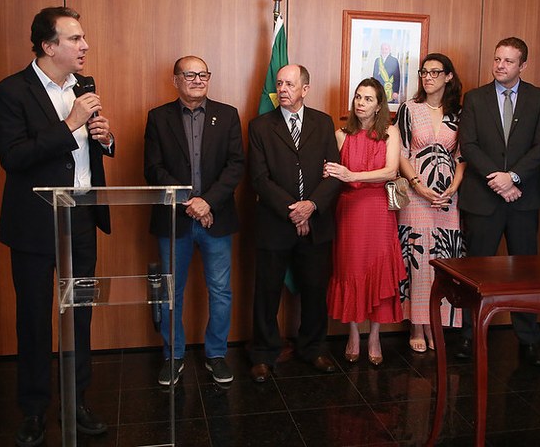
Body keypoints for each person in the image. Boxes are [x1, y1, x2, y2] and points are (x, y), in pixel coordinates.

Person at [0, 6, 112, 446]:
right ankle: (34, 410)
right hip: (34, 224)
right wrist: (71, 124)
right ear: (48, 46)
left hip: (81, 218)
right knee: (34, 318)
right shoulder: (10, 91)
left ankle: (77, 401)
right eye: (75, 39)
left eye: (83, 38)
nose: (85, 46)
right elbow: (14, 157)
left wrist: (104, 138)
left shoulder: (84, 87)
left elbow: (85, 153)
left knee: (80, 315)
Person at [144, 56, 244, 386]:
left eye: (203, 74)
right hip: (175, 220)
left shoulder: (227, 115)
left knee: (221, 291)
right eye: (190, 75)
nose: (198, 80)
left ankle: (216, 354)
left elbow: (235, 166)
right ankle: (173, 356)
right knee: (171, 292)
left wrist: (208, 201)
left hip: (218, 218)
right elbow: (153, 169)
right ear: (176, 80)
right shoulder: (158, 118)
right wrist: (192, 202)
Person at [457, 37, 540, 366]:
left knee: (525, 273)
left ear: (523, 65)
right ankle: (469, 336)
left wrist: (512, 177)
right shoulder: (475, 98)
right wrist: (499, 180)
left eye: (509, 61)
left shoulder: (539, 98)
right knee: (476, 272)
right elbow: (469, 145)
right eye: (497, 59)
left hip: (523, 200)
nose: (500, 65)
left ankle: (528, 340)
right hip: (483, 199)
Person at [247, 64, 342, 382]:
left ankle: (313, 348)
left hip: (316, 222)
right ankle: (263, 354)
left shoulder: (323, 123)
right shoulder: (260, 126)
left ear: (305, 89)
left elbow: (334, 172)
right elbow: (259, 179)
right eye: (279, 84)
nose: (283, 89)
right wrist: (294, 211)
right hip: (275, 223)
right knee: (267, 292)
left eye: (289, 84)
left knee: (315, 289)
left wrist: (311, 207)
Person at [324, 78, 405, 366]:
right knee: (350, 269)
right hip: (349, 210)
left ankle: (374, 336)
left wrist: (352, 175)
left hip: (378, 209)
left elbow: (391, 171)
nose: (361, 103)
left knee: (378, 270)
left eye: (368, 99)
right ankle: (354, 334)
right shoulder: (341, 135)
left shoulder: (390, 132)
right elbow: (331, 172)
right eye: (358, 97)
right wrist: (332, 172)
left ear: (379, 105)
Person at [396, 53, 466, 353]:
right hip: (416, 195)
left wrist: (453, 188)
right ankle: (417, 325)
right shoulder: (409, 108)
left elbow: (461, 156)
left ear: (448, 76)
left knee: (444, 259)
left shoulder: (458, 114)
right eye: (424, 72)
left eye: (435, 72)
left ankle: (436, 324)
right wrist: (418, 186)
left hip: (447, 198)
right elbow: (400, 152)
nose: (428, 77)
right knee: (418, 258)